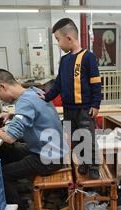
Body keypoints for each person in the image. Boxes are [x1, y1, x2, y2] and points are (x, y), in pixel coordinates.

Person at [0, 69, 68, 210]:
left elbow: (11, 137)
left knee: (3, 173)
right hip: (52, 151)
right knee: (7, 151)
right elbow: (34, 112)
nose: (0, 98)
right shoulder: (34, 91)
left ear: (3, 86)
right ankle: (18, 193)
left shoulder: (24, 103)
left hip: (47, 159)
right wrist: (13, 115)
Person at [40, 18, 102, 179]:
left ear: (68, 38)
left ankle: (94, 165)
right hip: (68, 110)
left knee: (87, 138)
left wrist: (96, 104)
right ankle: (83, 162)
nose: (58, 44)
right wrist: (46, 97)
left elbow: (96, 83)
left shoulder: (88, 57)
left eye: (58, 40)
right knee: (76, 139)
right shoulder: (65, 60)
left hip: (84, 109)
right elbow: (58, 84)